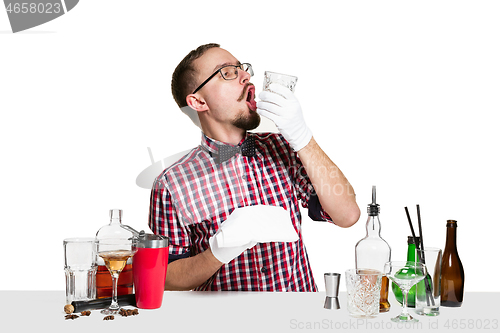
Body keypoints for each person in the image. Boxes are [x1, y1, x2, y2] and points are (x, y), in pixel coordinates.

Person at [148, 43, 360, 291]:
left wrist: (303, 138)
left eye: (242, 69)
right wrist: (216, 253)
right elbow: (165, 276)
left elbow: (347, 215)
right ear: (198, 101)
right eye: (227, 72)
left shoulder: (284, 149)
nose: (246, 76)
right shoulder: (171, 184)